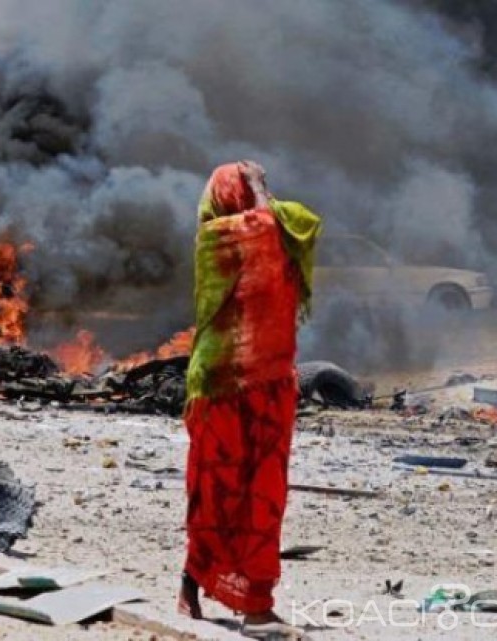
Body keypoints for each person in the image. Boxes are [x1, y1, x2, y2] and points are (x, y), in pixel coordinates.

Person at [179, 161, 321, 638]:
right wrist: (258, 187)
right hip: (221, 387)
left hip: (271, 385)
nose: (265, 193)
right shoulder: (216, 238)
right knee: (215, 493)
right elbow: (265, 225)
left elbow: (302, 223)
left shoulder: (272, 231)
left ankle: (256, 603)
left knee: (263, 498)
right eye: (253, 187)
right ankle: (193, 580)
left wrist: (262, 195)